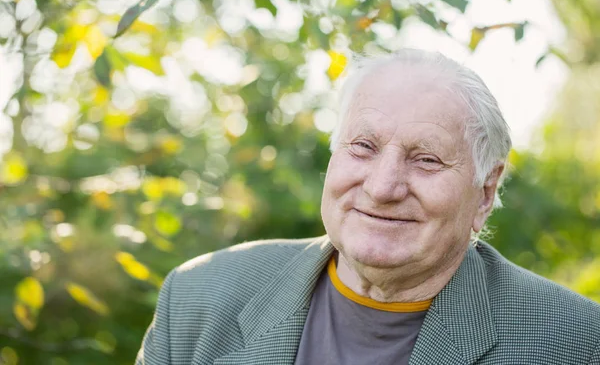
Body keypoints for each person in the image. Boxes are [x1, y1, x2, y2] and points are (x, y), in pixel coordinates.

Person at [136, 49, 600, 365]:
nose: (382, 187)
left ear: (484, 191)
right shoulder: (198, 296)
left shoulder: (577, 340)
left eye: (427, 159)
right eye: (363, 146)